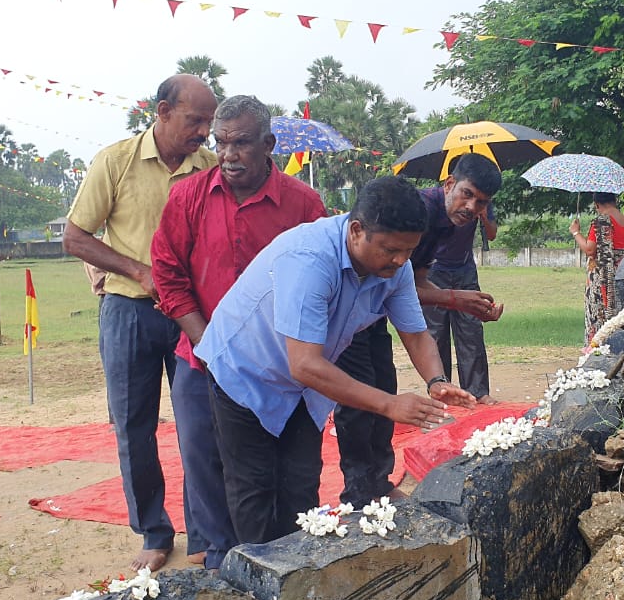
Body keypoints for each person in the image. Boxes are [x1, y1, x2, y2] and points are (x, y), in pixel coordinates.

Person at [194, 176, 475, 545]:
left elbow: (414, 332)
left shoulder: (396, 266)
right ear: (357, 230)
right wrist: (389, 404)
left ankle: (299, 579)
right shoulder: (311, 259)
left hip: (303, 386)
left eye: (409, 250)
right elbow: (305, 364)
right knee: (255, 490)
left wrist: (436, 381)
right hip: (246, 372)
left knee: (301, 487)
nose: (400, 260)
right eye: (391, 249)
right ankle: (257, 587)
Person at [151, 95, 325, 569]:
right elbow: (167, 272)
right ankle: (221, 565)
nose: (229, 155)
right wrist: (208, 341)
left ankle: (289, 560)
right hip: (201, 356)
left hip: (280, 364)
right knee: (206, 463)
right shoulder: (188, 196)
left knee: (283, 469)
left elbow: (321, 278)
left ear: (268, 144)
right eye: (221, 143)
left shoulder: (304, 204)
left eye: (242, 144)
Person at [63, 73, 218, 572]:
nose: (204, 132)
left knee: (203, 424)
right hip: (130, 311)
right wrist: (137, 271)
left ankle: (205, 530)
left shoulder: (211, 167)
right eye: (196, 120)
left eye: (209, 122)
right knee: (134, 425)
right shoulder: (116, 161)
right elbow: (75, 236)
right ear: (163, 112)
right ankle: (153, 531)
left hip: (192, 314)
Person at [334, 152, 503, 506]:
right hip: (351, 298)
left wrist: (436, 379)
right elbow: (404, 278)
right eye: (467, 194)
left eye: (482, 203)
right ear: (449, 184)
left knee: (384, 383)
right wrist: (454, 298)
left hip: (377, 306)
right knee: (360, 396)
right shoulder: (419, 211)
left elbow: (414, 284)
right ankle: (358, 491)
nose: (472, 207)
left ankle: (377, 483)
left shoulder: (449, 224)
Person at [421, 193, 498, 403]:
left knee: (471, 329)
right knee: (436, 333)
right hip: (434, 270)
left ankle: (478, 392)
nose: (471, 203)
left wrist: (483, 216)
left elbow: (491, 235)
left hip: (464, 269)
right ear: (450, 183)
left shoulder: (481, 201)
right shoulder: (434, 203)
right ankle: (442, 390)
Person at [570, 192, 624, 343]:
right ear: (614, 200)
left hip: (601, 280)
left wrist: (575, 232)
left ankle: (595, 350)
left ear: (597, 204)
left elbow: (590, 250)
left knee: (598, 318)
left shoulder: (602, 221)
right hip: (620, 277)